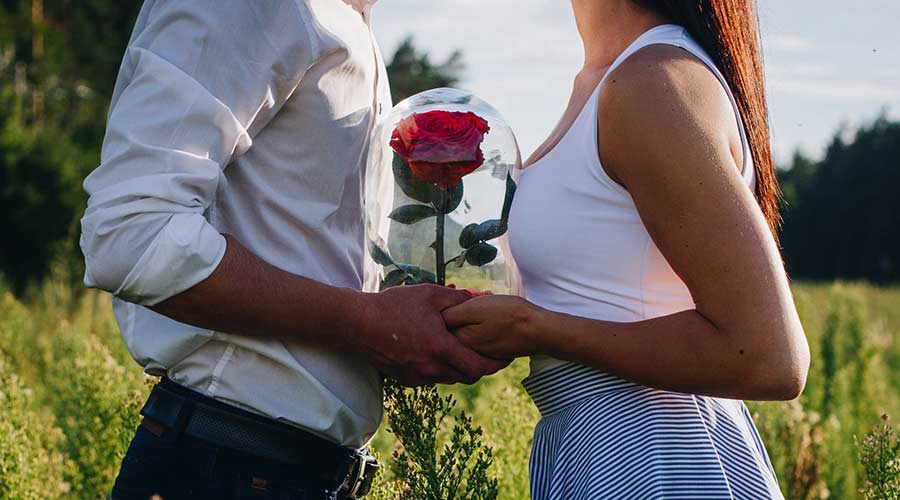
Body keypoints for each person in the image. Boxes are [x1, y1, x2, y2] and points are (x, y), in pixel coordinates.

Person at [79, 1, 506, 499]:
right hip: (225, 464)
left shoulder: (344, 22)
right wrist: (368, 324)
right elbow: (132, 234)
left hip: (283, 470)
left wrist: (410, 327)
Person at [443, 1, 810, 498]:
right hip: (597, 445)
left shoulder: (649, 83)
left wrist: (533, 328)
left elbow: (770, 356)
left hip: (656, 454)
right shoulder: (608, 78)